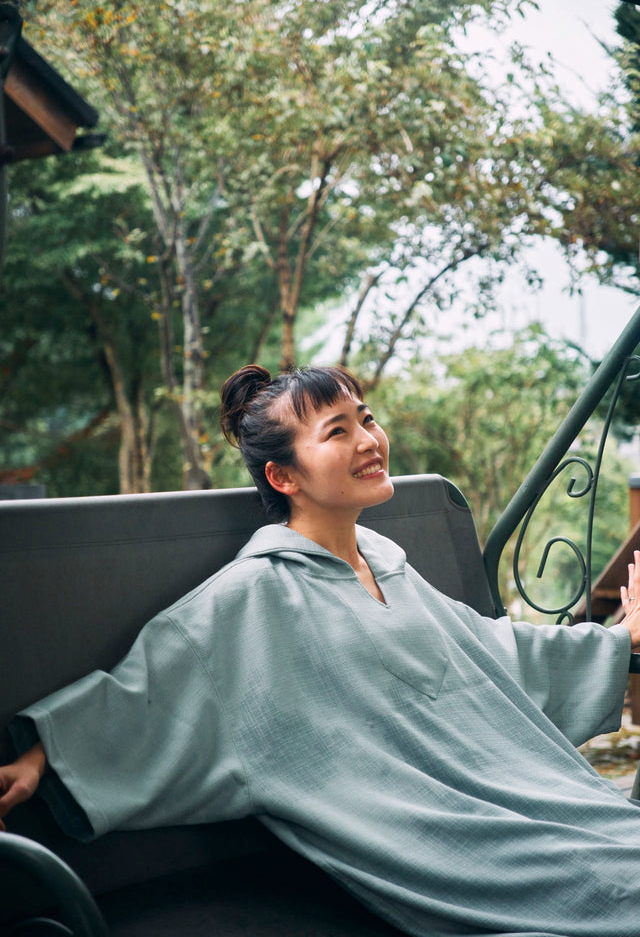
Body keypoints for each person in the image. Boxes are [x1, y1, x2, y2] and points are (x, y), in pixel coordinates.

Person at [2, 362, 640, 937]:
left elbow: (492, 653)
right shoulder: (254, 592)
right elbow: (157, 686)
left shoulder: (388, 565)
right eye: (338, 432)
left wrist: (620, 639)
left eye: (366, 419)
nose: (369, 440)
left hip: (531, 800)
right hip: (448, 842)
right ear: (283, 475)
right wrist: (41, 758)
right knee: (612, 886)